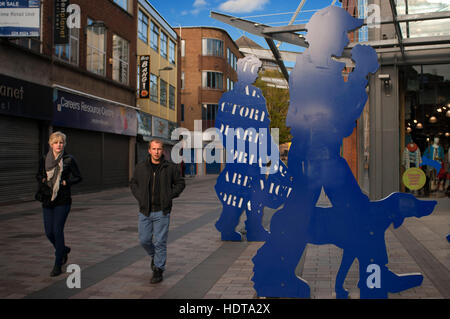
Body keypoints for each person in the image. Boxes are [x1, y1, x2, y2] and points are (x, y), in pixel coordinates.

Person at [130, 139, 185, 284]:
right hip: (145, 211)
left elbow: (180, 182)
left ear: (163, 151)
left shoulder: (170, 168)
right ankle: (155, 257)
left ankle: (158, 269)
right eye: (154, 149)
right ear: (149, 150)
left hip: (162, 211)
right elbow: (133, 183)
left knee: (160, 241)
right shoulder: (141, 167)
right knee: (144, 240)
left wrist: (170, 195)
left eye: (159, 149)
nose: (156, 152)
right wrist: (140, 197)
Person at [36, 131, 82, 277]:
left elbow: (79, 177)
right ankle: (63, 249)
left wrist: (66, 182)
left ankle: (57, 264)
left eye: (61, 142)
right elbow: (38, 174)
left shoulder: (69, 159)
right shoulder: (44, 158)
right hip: (47, 199)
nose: (58, 145)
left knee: (57, 230)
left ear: (64, 144)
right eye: (55, 142)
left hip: (63, 199)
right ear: (51, 144)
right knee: (48, 232)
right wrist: (43, 179)